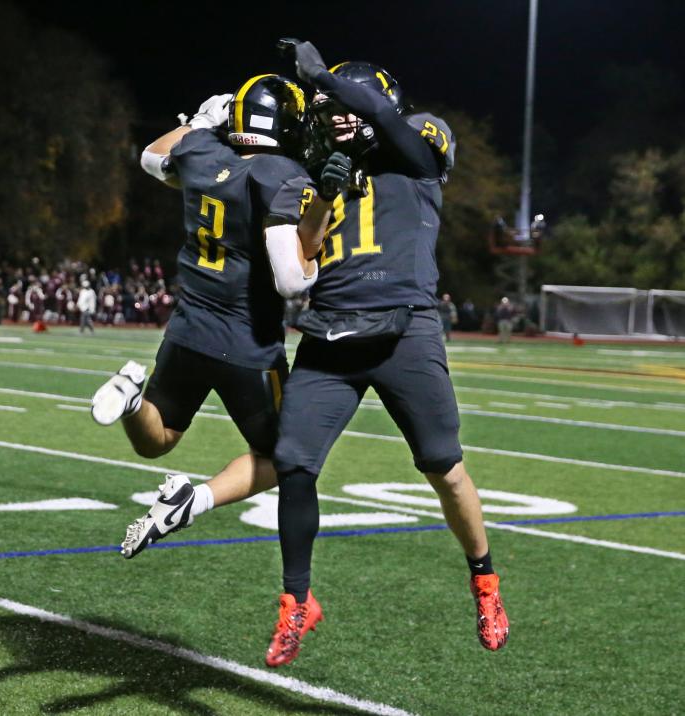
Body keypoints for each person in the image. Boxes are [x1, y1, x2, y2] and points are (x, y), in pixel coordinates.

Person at [250, 39, 507, 665]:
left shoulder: (419, 140)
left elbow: (394, 129)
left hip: (405, 326)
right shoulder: (314, 172)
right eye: (326, 107)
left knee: (443, 466)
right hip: (332, 328)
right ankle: (297, 602)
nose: (334, 115)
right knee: (293, 463)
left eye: (345, 104)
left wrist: (320, 74)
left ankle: (485, 580)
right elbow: (303, 262)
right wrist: (322, 198)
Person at [97, 78, 343, 559]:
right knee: (288, 457)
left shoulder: (205, 151)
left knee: (157, 439)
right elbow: (291, 280)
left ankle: (130, 402)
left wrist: (202, 121)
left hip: (187, 330)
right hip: (246, 344)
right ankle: (195, 501)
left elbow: (151, 157)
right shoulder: (283, 174)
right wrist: (314, 258)